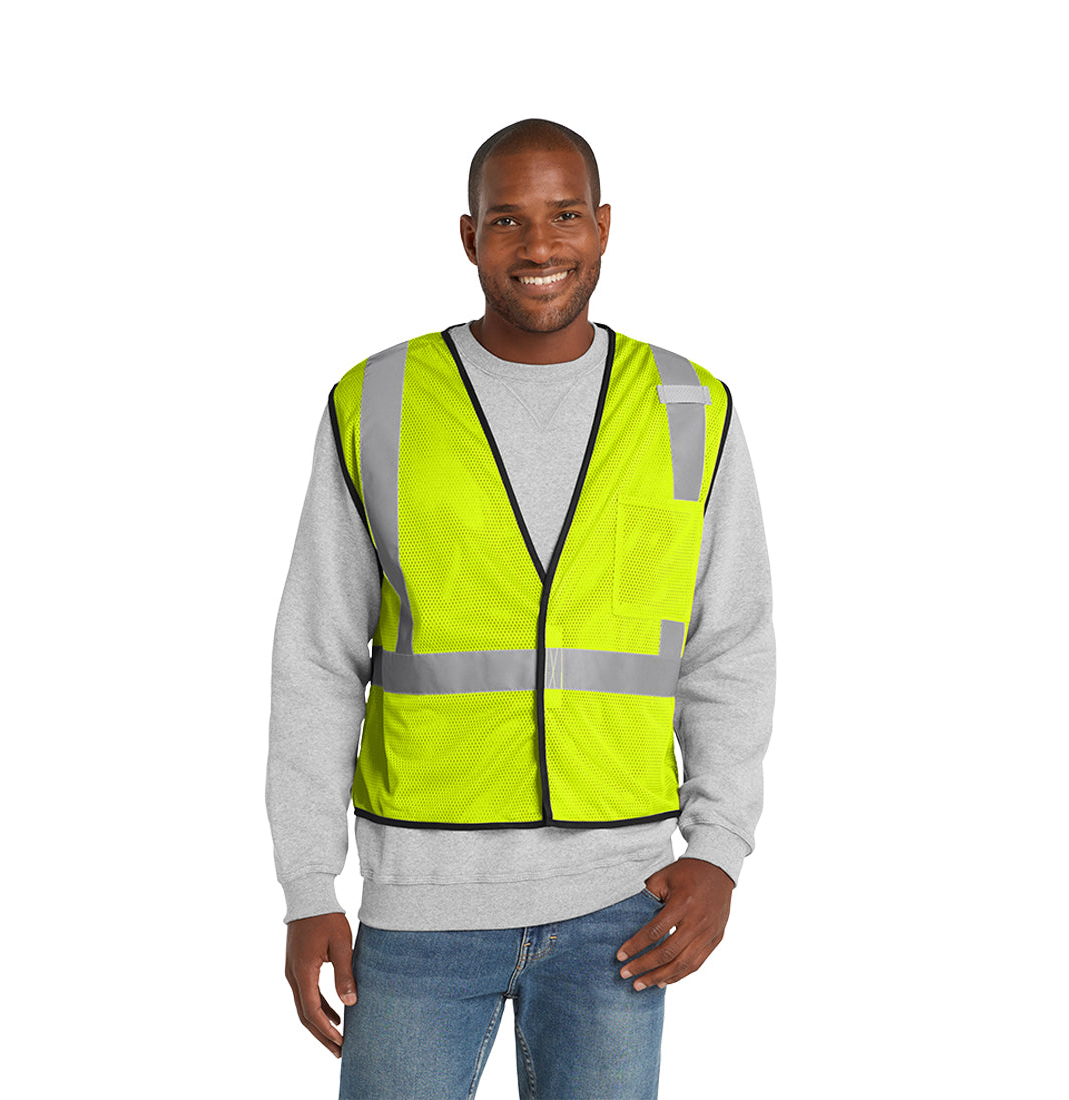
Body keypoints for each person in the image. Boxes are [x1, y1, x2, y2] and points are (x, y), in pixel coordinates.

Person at [265, 118, 776, 1099]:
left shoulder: (688, 404)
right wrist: (304, 884)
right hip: (419, 907)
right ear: (468, 237)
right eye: (507, 220)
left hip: (620, 907)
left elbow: (729, 647)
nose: (538, 247)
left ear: (604, 226)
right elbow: (316, 656)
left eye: (563, 216)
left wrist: (718, 847)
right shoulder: (379, 399)